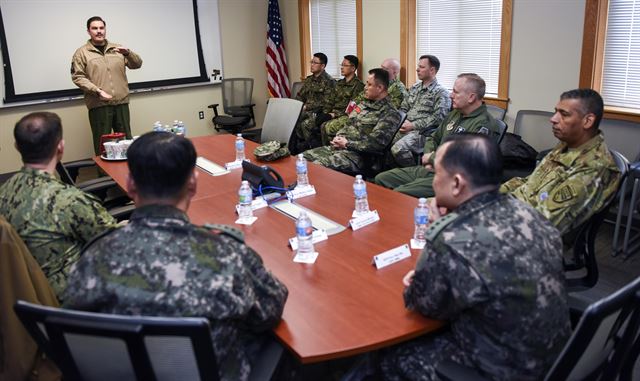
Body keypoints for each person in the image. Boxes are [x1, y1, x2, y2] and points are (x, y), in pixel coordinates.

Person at [63, 132, 288, 381]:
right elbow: (270, 308)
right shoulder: (225, 254)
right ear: (193, 183)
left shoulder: (92, 257)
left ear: (130, 184)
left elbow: (77, 324)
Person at [380, 134, 570, 381]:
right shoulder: (527, 212)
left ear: (457, 184)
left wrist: (439, 233)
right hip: (557, 354)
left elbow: (422, 303)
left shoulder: (454, 240)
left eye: (436, 174)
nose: (434, 181)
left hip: (505, 369)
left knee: (388, 355)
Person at [0, 112, 117, 298]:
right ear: (60, 148)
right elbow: (118, 246)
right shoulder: (71, 201)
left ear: (17, 147)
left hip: (22, 301)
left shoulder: (3, 192)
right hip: (71, 303)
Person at [501, 88, 621, 237]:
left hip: (531, 239)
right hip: (515, 213)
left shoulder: (592, 168)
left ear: (588, 121)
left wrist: (494, 213)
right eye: (556, 111)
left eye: (564, 114)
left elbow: (541, 225)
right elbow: (529, 183)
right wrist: (489, 195)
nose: (553, 119)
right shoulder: (567, 146)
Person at [375, 73, 500, 198]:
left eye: (456, 92)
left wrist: (432, 158)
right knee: (381, 179)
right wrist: (428, 157)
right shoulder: (455, 114)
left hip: (452, 179)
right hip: (432, 169)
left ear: (471, 97)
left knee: (400, 193)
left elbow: (466, 161)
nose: (451, 95)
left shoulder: (483, 124)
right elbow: (433, 137)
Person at [302, 68, 401, 175]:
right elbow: (349, 123)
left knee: (316, 167)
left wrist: (347, 144)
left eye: (369, 85)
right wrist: (339, 137)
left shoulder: (389, 113)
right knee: (302, 158)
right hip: (339, 149)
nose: (365, 87)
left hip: (358, 157)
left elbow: (375, 145)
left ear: (380, 88)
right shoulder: (364, 104)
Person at [71, 16, 143, 155]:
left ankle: (126, 175)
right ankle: (104, 176)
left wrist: (128, 53)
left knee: (125, 144)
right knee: (103, 146)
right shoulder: (81, 53)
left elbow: (137, 64)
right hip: (99, 104)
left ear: (105, 29)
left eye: (101, 28)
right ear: (88, 31)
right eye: (94, 28)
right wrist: (97, 91)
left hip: (121, 103)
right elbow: (78, 76)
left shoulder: (117, 49)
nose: (99, 31)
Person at [321, 58, 407, 145]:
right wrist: (351, 111)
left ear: (395, 72)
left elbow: (390, 109)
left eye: (385, 69)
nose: (381, 70)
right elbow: (358, 100)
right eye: (381, 67)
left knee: (331, 128)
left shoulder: (398, 89)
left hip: (372, 118)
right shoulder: (374, 83)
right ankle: (334, 147)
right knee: (327, 126)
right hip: (358, 113)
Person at [391, 55, 451, 167]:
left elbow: (439, 118)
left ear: (432, 70)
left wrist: (413, 125)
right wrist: (401, 122)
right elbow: (404, 107)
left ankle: (414, 172)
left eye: (421, 67)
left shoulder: (441, 92)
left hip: (423, 132)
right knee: (384, 141)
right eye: (418, 66)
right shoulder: (415, 87)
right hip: (405, 127)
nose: (417, 69)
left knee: (398, 149)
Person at [296, 55, 364, 150]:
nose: (342, 67)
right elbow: (330, 100)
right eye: (342, 65)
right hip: (330, 113)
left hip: (343, 115)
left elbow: (352, 108)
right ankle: (310, 147)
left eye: (345, 65)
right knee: (309, 122)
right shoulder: (339, 83)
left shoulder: (358, 86)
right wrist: (324, 112)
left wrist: (333, 114)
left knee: (324, 125)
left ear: (353, 68)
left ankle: (327, 149)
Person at [293, 52, 335, 150]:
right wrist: (295, 106)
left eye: (315, 63)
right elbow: (300, 96)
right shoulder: (309, 80)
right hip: (305, 110)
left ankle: (311, 148)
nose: (312, 65)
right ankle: (296, 147)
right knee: (292, 118)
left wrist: (307, 107)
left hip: (318, 112)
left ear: (323, 66)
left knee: (305, 124)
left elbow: (327, 103)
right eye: (312, 62)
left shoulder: (329, 81)